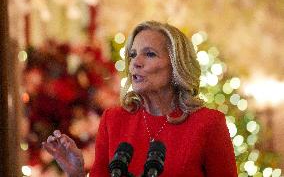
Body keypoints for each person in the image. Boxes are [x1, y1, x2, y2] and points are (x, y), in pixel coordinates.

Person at [42, 21, 238, 177]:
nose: (136, 62)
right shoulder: (113, 119)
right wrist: (76, 173)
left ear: (176, 66)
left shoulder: (208, 123)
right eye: (133, 54)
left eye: (150, 54)